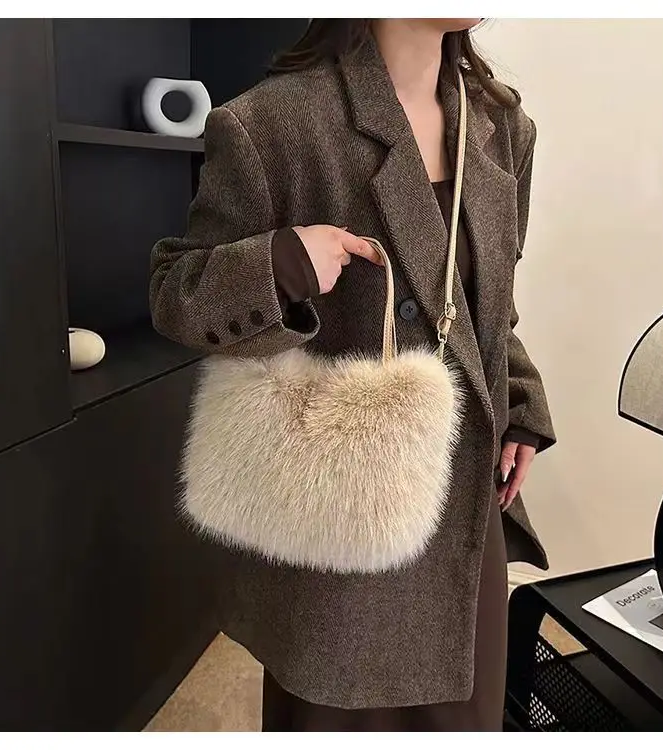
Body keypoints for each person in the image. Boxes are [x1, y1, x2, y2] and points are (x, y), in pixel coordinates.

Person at [150, 18, 556, 732]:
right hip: (345, 514)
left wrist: (520, 402)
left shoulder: (502, 127)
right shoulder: (273, 124)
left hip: (463, 507)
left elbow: (484, 307)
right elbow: (174, 294)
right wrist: (280, 264)